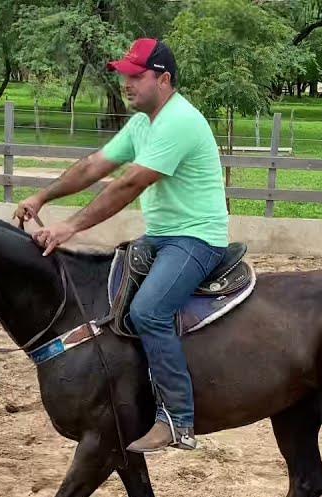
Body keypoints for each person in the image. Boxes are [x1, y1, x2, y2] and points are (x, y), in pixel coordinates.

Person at [14, 38, 229, 453]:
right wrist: (43, 197)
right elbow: (94, 166)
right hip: (163, 236)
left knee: (149, 310)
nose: (126, 84)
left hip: (197, 238)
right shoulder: (143, 124)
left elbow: (129, 184)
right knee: (107, 296)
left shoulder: (178, 121)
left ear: (163, 79)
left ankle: (178, 419)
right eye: (123, 76)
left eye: (136, 76)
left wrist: (69, 227)